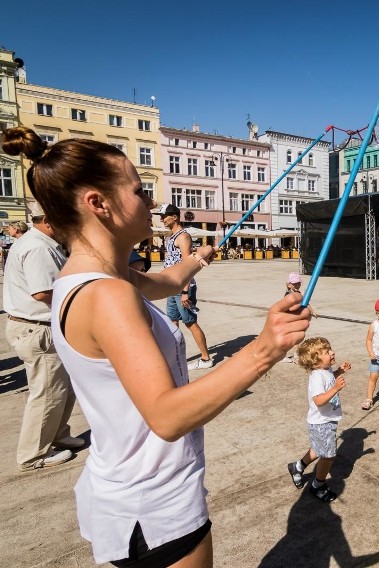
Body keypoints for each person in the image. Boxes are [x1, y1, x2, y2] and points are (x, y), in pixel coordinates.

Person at [2, 126, 311, 565]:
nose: (150, 202)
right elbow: (167, 416)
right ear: (98, 203)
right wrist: (264, 349)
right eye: (139, 190)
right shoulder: (108, 295)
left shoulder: (87, 277)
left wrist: (200, 257)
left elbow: (166, 281)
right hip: (153, 507)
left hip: (127, 494)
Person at [3, 200, 84, 471]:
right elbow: (43, 292)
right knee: (48, 392)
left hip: (39, 327)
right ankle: (33, 454)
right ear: (49, 220)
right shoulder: (38, 247)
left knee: (61, 389)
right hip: (37, 328)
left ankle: (58, 435)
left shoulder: (39, 243)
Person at [287, 337, 351, 502]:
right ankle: (318, 484)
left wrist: (339, 372)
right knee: (328, 456)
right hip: (321, 422)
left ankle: (298, 466)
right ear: (315, 361)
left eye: (330, 349)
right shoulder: (316, 377)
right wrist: (336, 388)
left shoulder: (326, 369)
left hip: (326, 420)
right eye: (327, 352)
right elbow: (319, 400)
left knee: (318, 448)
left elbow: (330, 379)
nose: (332, 352)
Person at [156, 203, 214, 370]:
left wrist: (185, 291)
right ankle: (175, 357)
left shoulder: (183, 237)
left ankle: (205, 358)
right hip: (172, 286)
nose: (161, 219)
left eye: (164, 216)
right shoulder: (170, 237)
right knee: (172, 322)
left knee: (190, 322)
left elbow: (187, 264)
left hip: (183, 287)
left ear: (174, 217)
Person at [281, 273, 318, 364]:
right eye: (295, 284)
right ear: (289, 284)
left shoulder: (298, 293)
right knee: (290, 339)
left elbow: (306, 302)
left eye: (299, 283)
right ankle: (284, 356)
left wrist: (312, 311)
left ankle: (296, 356)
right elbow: (290, 308)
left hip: (296, 319)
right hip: (289, 319)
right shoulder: (288, 295)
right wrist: (301, 305)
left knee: (296, 339)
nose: (297, 285)